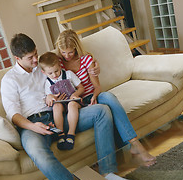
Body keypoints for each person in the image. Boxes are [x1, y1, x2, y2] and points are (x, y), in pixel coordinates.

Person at [1, 33, 137, 180]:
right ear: (17, 58)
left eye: (36, 53)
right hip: (32, 125)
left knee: (102, 111)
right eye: (30, 58)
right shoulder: (10, 80)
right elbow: (13, 115)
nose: (36, 59)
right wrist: (34, 126)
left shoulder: (43, 66)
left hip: (60, 116)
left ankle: (108, 172)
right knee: (39, 154)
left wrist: (95, 68)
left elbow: (71, 60)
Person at [55, 29, 156, 165]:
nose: (67, 56)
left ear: (76, 48)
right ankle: (125, 153)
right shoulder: (58, 64)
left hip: (91, 95)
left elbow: (97, 87)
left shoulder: (86, 60)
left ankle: (135, 144)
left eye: (70, 52)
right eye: (63, 52)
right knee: (104, 110)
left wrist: (94, 96)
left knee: (108, 97)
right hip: (75, 104)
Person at [39, 51, 84, 150]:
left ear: (60, 66)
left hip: (74, 102)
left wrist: (75, 94)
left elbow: (81, 88)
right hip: (61, 104)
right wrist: (51, 97)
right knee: (56, 106)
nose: (54, 75)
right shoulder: (47, 82)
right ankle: (60, 133)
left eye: (57, 71)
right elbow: (48, 97)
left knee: (72, 104)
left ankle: (71, 134)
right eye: (50, 73)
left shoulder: (68, 74)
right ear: (44, 72)